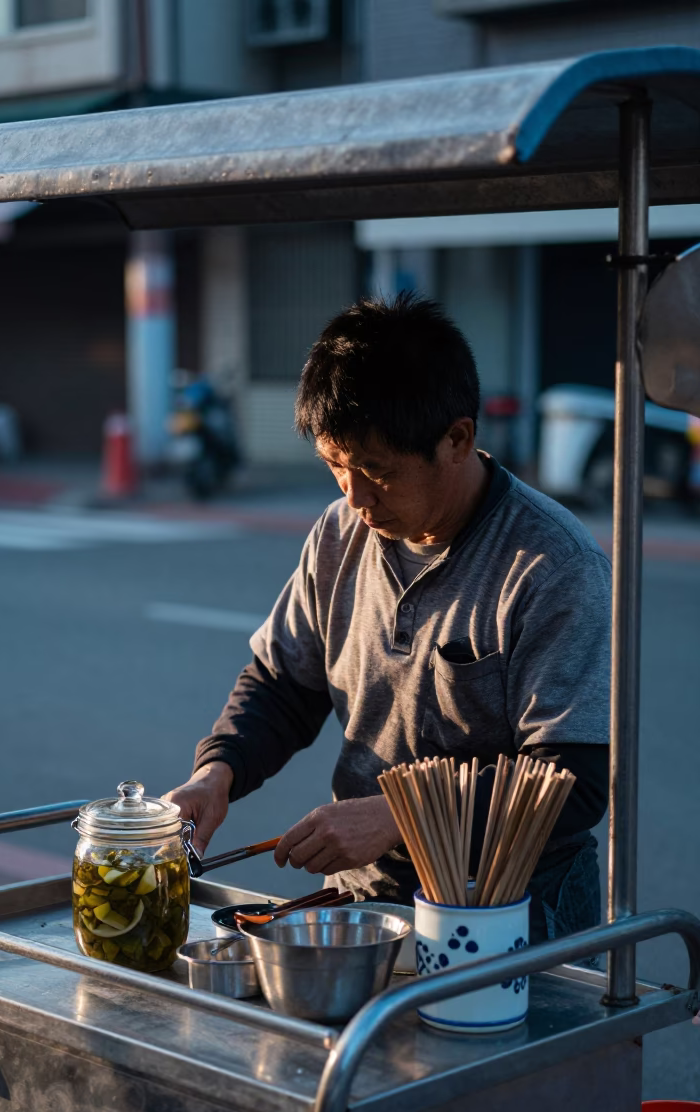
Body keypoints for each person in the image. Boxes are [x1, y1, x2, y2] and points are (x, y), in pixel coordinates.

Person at [164, 294, 610, 943]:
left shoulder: (551, 564)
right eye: (335, 467)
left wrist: (403, 815)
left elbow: (574, 781)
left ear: (458, 439)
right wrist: (218, 771)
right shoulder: (341, 532)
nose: (356, 498)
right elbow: (286, 683)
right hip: (371, 890)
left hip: (513, 902)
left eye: (378, 473)